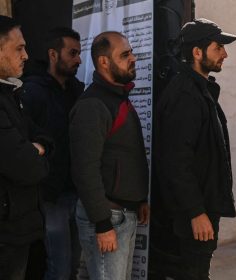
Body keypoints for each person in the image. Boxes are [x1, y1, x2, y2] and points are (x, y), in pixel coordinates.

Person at [153, 18, 236, 280]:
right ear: (197, 53)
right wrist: (196, 212)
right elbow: (176, 161)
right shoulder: (185, 95)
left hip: (200, 211)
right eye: (218, 47)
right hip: (190, 218)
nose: (225, 53)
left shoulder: (200, 89)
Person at [69, 31, 149, 280]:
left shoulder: (118, 99)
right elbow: (85, 169)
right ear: (104, 62)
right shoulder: (92, 105)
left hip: (124, 215)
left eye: (132, 52)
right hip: (107, 218)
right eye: (125, 54)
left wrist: (139, 200)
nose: (133, 58)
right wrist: (102, 224)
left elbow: (126, 155)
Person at [21, 27, 84, 280]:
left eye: (79, 53)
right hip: (50, 196)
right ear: (53, 54)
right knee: (58, 267)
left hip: (77, 192)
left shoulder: (77, 90)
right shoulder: (32, 91)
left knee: (72, 267)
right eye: (72, 53)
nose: (78, 59)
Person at [0, 15, 52, 280]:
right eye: (18, 48)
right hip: (7, 236)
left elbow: (44, 137)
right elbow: (26, 166)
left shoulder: (11, 95)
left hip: (22, 230)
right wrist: (36, 151)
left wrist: (37, 147)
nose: (26, 55)